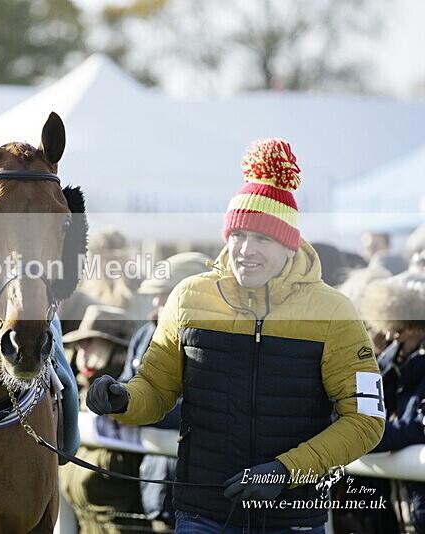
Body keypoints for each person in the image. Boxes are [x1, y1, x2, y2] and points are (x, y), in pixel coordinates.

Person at [86, 138, 386, 533]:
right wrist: (123, 399)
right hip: (202, 514)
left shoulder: (334, 312)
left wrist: (285, 471)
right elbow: (156, 390)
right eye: (238, 234)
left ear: (289, 246)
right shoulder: (189, 296)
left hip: (291, 519)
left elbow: (366, 420)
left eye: (262, 238)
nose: (246, 249)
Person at [120, 251, 212, 531]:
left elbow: (202, 410)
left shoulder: (215, 342)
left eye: (165, 293)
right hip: (154, 484)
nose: (156, 302)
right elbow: (128, 383)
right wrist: (116, 400)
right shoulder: (145, 335)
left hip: (203, 491)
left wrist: (137, 411)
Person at [59, 304, 142, 533]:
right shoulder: (76, 394)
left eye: (90, 341)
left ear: (118, 349)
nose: (81, 349)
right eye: (79, 343)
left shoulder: (132, 400)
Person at [360, 281, 425, 532]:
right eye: (388, 329)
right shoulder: (385, 367)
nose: (389, 338)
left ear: (417, 327)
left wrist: (369, 436)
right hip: (394, 511)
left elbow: (419, 427)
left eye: (398, 330)